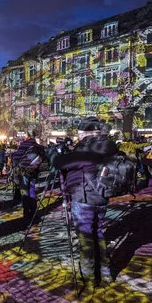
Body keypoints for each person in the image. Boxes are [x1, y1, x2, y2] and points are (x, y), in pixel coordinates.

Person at [53, 117, 118, 287]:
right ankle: (106, 273)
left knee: (86, 238)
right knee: (98, 233)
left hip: (84, 198)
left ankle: (89, 278)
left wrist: (55, 152)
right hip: (102, 196)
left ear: (87, 134)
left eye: (80, 134)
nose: (78, 137)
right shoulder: (108, 148)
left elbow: (59, 163)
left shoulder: (85, 151)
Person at [11, 130, 45, 222]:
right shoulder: (38, 146)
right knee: (32, 190)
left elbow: (16, 158)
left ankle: (26, 213)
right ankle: (34, 212)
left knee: (25, 191)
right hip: (34, 171)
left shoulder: (24, 145)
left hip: (24, 172)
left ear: (27, 136)